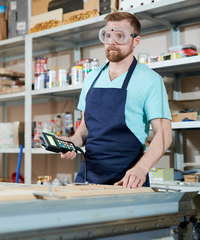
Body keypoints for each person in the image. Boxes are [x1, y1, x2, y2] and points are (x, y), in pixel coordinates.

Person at [61, 12, 172, 188]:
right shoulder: (92, 77)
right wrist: (72, 142)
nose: (112, 42)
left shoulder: (150, 80)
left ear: (136, 41)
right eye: (107, 35)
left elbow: (164, 134)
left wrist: (141, 169)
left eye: (120, 36)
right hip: (88, 178)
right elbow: (85, 128)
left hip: (128, 180)